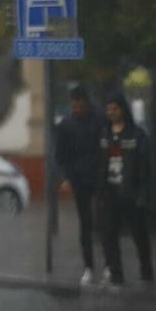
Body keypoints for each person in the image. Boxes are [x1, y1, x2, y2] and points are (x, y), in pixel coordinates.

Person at [97, 91, 154, 287]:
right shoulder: (104, 133)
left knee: (139, 234)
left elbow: (145, 166)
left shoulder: (136, 135)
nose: (111, 113)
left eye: (115, 109)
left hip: (131, 193)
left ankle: (146, 272)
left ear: (122, 110)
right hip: (110, 193)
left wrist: (142, 193)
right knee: (109, 235)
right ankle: (116, 275)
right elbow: (99, 162)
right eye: (108, 109)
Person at [55, 84, 106, 285]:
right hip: (79, 180)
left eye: (79, 103)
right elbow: (60, 156)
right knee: (85, 224)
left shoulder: (100, 120)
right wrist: (65, 178)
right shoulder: (66, 125)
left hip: (101, 179)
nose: (76, 106)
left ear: (86, 102)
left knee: (104, 222)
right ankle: (89, 267)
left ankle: (110, 265)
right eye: (73, 103)